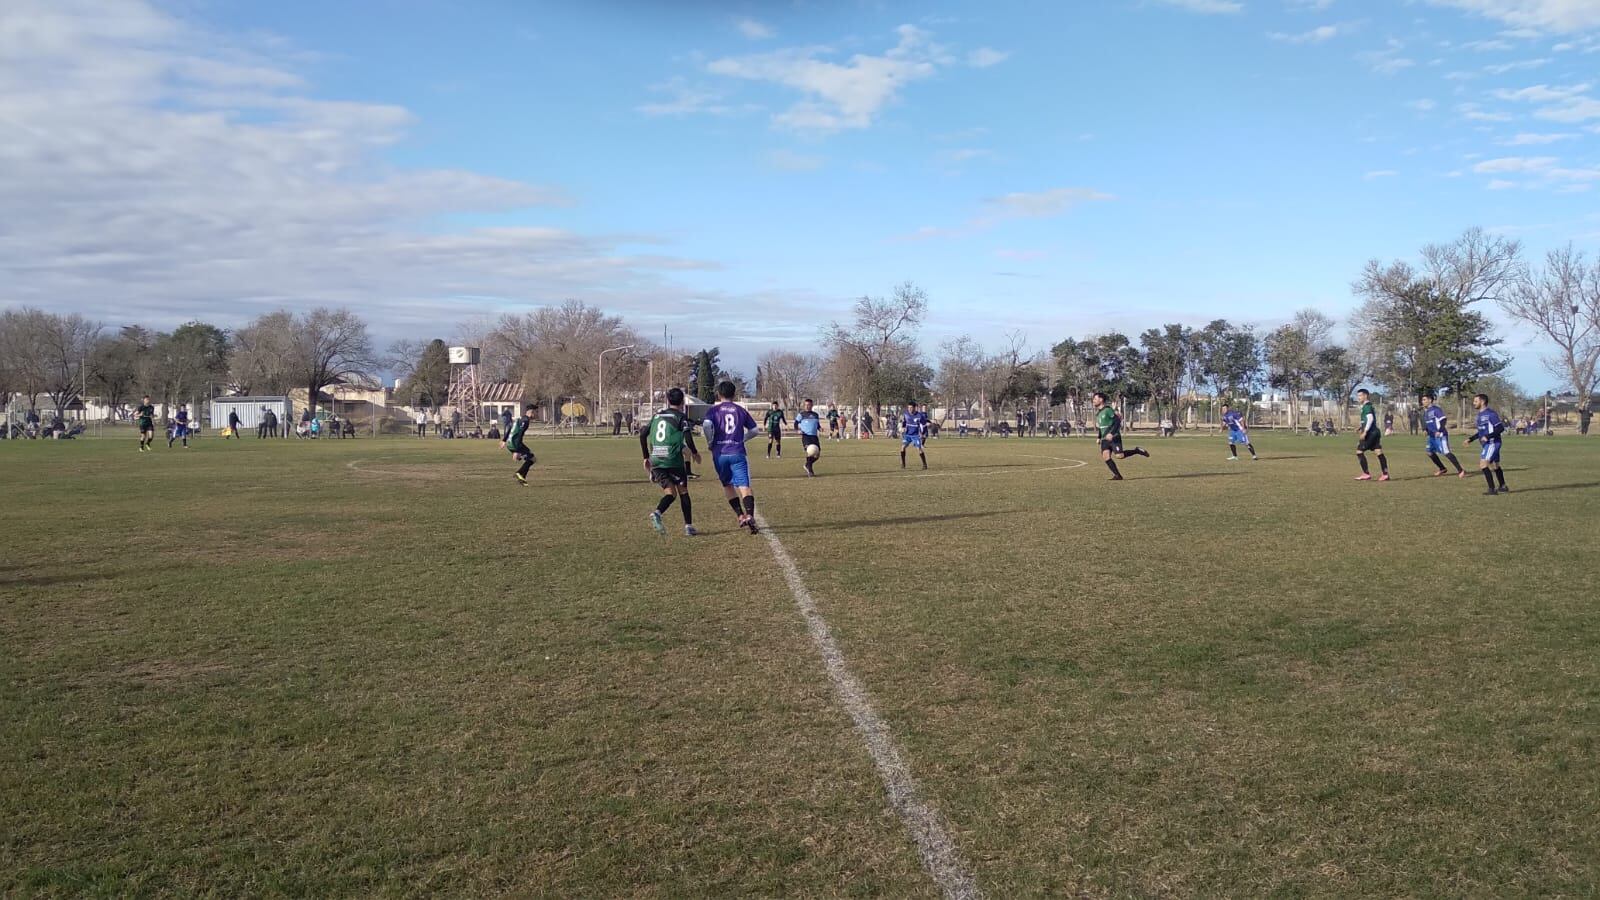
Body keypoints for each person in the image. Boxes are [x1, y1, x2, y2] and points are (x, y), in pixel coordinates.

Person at [641, 387, 702, 536]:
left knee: (670, 493)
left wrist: (645, 457)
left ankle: (657, 512)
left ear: (668, 401)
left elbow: (643, 435)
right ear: (682, 401)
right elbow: (688, 436)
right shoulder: (680, 417)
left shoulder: (656, 416)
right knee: (683, 492)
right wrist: (694, 452)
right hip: (673, 460)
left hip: (656, 460)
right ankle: (688, 526)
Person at [705, 381, 762, 534]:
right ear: (734, 394)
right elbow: (755, 430)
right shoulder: (740, 410)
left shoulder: (714, 410)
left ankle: (740, 516)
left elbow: (706, 425)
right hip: (737, 452)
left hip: (720, 453)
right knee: (744, 486)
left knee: (727, 486)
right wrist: (742, 439)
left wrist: (710, 441)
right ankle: (749, 514)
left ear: (718, 394)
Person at [1092, 392, 1149, 480]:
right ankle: (1117, 476)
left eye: (1095, 399)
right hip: (1104, 439)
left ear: (1101, 399)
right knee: (1106, 456)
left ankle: (1136, 450)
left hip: (1114, 436)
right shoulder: (1098, 413)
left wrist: (1111, 433)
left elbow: (1117, 421)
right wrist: (1099, 437)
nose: (1093, 401)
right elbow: (1101, 427)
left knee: (1120, 456)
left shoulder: (1108, 410)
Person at [1467, 393, 1509, 496]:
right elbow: (1481, 432)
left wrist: (1488, 437)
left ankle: (1492, 489)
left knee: (1483, 464)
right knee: (1495, 465)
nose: (1474, 403)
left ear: (1482, 401)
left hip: (1492, 443)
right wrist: (1470, 439)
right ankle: (1503, 486)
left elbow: (1500, 428)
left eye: (1476, 401)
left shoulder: (1491, 414)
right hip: (1488, 443)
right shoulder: (1480, 416)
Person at [1419, 392, 1466, 478]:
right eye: (1422, 400)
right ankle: (1442, 468)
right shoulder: (1426, 412)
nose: (1423, 401)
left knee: (1446, 452)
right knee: (1429, 452)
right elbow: (1429, 423)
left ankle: (1461, 470)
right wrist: (1425, 430)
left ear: (1430, 400)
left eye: (1424, 400)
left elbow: (1443, 420)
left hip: (1440, 435)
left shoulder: (1436, 410)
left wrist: (1439, 431)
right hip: (1431, 436)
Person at [1354, 388, 1388, 482]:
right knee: (1378, 452)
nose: (1358, 398)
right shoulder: (1367, 406)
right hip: (1375, 432)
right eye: (1358, 396)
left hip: (1370, 433)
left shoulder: (1367, 406)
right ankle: (1385, 474)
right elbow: (1367, 420)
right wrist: (1361, 426)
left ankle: (1366, 473)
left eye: (1360, 395)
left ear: (1365, 396)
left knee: (1359, 451)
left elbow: (1370, 419)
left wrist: (1365, 432)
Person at [503, 404, 537, 485]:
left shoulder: (520, 418)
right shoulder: (525, 421)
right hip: (515, 444)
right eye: (536, 412)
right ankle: (519, 473)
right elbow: (519, 434)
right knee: (532, 459)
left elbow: (511, 428)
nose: (537, 414)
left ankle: (522, 479)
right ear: (531, 412)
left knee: (530, 459)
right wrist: (516, 451)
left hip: (510, 443)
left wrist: (504, 440)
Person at [796, 398, 823, 477]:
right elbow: (795, 423)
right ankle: (810, 470)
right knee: (810, 452)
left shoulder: (815, 415)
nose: (807, 406)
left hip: (814, 436)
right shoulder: (801, 414)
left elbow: (817, 425)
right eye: (806, 405)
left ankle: (807, 465)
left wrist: (820, 428)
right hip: (806, 436)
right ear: (804, 405)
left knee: (817, 455)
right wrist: (797, 430)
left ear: (812, 405)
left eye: (809, 405)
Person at [900, 401, 929, 470]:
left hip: (916, 435)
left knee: (919, 449)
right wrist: (903, 428)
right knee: (902, 447)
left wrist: (923, 434)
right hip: (907, 435)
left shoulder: (919, 416)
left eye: (911, 407)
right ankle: (903, 464)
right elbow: (904, 422)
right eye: (908, 407)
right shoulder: (906, 414)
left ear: (915, 408)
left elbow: (924, 425)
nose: (909, 409)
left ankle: (924, 464)